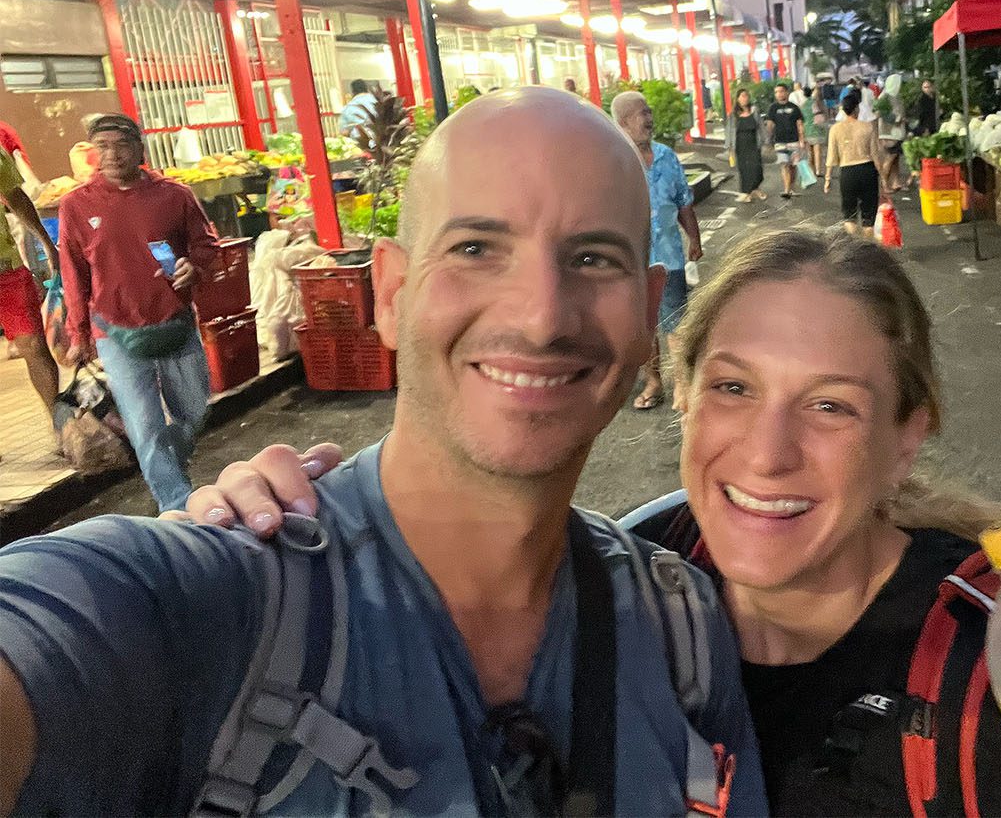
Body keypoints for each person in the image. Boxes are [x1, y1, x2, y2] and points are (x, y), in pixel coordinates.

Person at [194, 228, 1001, 818]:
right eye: (731, 389)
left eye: (829, 406)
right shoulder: (627, 577)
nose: (764, 456)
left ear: (909, 432)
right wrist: (265, 539)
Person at [0, 90, 766, 817]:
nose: (540, 316)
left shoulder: (681, 625)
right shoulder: (211, 603)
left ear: (646, 305)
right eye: (475, 247)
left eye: (594, 258)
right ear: (392, 293)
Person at [56, 114, 216, 511]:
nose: (111, 154)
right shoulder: (76, 205)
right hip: (113, 331)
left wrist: (193, 265)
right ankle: (175, 504)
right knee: (144, 426)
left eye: (120, 144)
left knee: (193, 412)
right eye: (102, 146)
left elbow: (207, 244)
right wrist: (79, 333)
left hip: (174, 322)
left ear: (140, 149)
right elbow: (72, 271)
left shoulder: (174, 195)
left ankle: (168, 467)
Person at [611, 91, 703, 411]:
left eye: (649, 111)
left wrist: (695, 238)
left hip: (670, 256)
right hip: (631, 261)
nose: (649, 118)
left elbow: (683, 202)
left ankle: (681, 384)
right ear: (623, 123)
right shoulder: (613, 162)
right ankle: (654, 382)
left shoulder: (666, 156)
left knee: (676, 322)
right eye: (641, 113)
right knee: (646, 329)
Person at [0, 145, 60, 421]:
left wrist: (47, 245)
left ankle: (61, 427)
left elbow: (15, 197)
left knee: (34, 346)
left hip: (6, 267)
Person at [824, 92, 885, 237]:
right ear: (857, 109)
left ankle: (853, 245)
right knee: (869, 215)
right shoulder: (868, 127)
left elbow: (831, 156)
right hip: (867, 170)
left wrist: (827, 179)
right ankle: (866, 246)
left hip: (847, 172)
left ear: (843, 110)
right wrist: (883, 178)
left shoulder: (835, 129)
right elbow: (876, 155)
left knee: (849, 214)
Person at [764, 83, 806, 200]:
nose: (779, 94)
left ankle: (791, 187)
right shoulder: (773, 108)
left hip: (794, 140)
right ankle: (786, 189)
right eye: (776, 92)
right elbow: (770, 124)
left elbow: (800, 124)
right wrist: (768, 139)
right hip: (780, 141)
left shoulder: (794, 107)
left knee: (793, 166)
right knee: (784, 165)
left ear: (787, 92)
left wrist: (802, 139)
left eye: (781, 91)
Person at [732, 88, 767, 203]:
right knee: (744, 169)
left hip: (753, 144)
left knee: (757, 168)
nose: (744, 98)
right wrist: (729, 148)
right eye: (742, 96)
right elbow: (730, 132)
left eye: (746, 96)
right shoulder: (734, 115)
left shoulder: (754, 110)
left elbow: (761, 126)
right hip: (740, 145)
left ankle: (754, 189)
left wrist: (765, 141)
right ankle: (746, 192)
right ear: (737, 99)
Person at [878, 70, 907, 191]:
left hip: (897, 132)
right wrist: (898, 119)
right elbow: (882, 113)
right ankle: (884, 183)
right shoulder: (884, 97)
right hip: (888, 132)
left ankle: (896, 182)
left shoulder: (896, 95)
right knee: (890, 157)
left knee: (896, 159)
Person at [802, 77, 829, 178]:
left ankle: (812, 170)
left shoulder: (802, 105)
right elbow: (824, 112)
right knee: (818, 151)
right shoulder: (816, 101)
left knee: (810, 152)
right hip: (817, 129)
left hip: (807, 130)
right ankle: (818, 170)